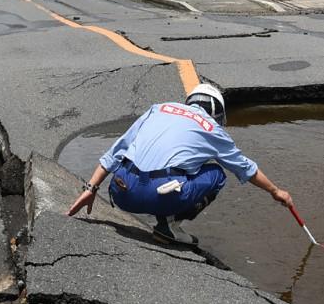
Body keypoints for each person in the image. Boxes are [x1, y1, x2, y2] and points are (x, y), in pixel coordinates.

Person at [65, 83, 294, 246]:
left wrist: (91, 188)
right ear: (217, 111)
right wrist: (275, 191)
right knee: (217, 173)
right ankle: (170, 226)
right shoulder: (211, 128)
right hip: (157, 194)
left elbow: (118, 149)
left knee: (164, 168)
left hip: (121, 189)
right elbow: (246, 168)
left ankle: (164, 218)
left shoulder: (158, 108)